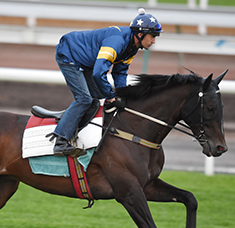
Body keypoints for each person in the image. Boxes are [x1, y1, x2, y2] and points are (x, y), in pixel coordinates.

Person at [49, 8, 162, 157]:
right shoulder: (117, 41)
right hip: (69, 55)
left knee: (96, 101)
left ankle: (74, 130)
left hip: (86, 62)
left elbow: (119, 73)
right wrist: (111, 96)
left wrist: (122, 95)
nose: (153, 41)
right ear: (140, 34)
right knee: (85, 99)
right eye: (152, 36)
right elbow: (98, 73)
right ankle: (60, 141)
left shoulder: (132, 48)